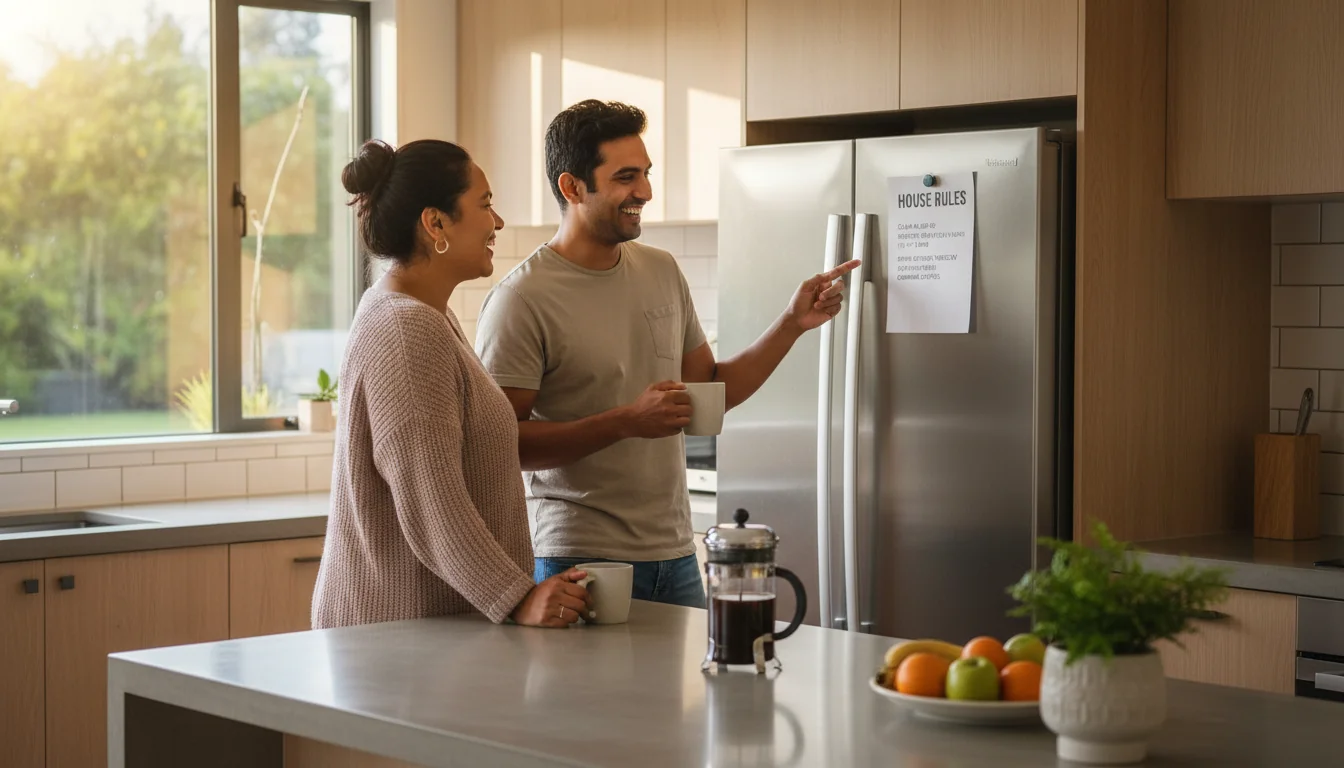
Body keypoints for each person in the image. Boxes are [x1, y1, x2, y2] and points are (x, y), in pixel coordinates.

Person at [474, 100, 858, 608]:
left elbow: (706, 395)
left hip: (675, 555)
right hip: (580, 559)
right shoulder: (521, 299)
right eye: (626, 177)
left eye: (647, 175)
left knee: (685, 693)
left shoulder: (661, 270)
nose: (646, 193)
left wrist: (791, 324)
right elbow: (504, 447)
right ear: (572, 187)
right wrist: (626, 420)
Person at [311, 138, 592, 630]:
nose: (497, 222)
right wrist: (517, 598)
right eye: (484, 205)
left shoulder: (424, 317)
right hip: (394, 642)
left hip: (421, 635)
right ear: (435, 223)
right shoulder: (405, 328)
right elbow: (430, 501)